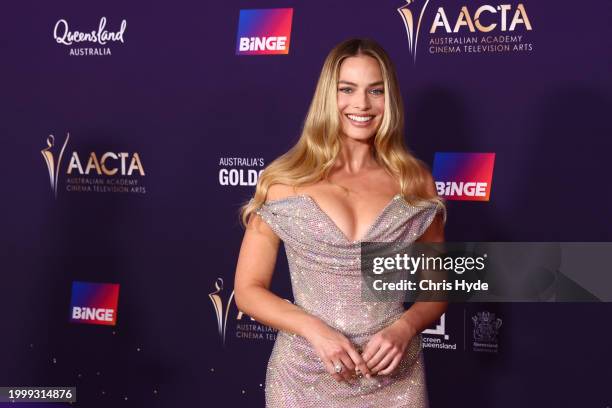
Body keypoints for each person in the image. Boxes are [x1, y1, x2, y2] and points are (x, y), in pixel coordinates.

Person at [234, 38, 447, 407]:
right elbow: (249, 289)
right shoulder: (285, 180)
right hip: (303, 376)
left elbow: (438, 287)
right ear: (327, 97)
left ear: (390, 99)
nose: (361, 104)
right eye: (347, 89)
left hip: (393, 380)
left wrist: (405, 327)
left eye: (375, 91)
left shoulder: (415, 182)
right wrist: (314, 330)